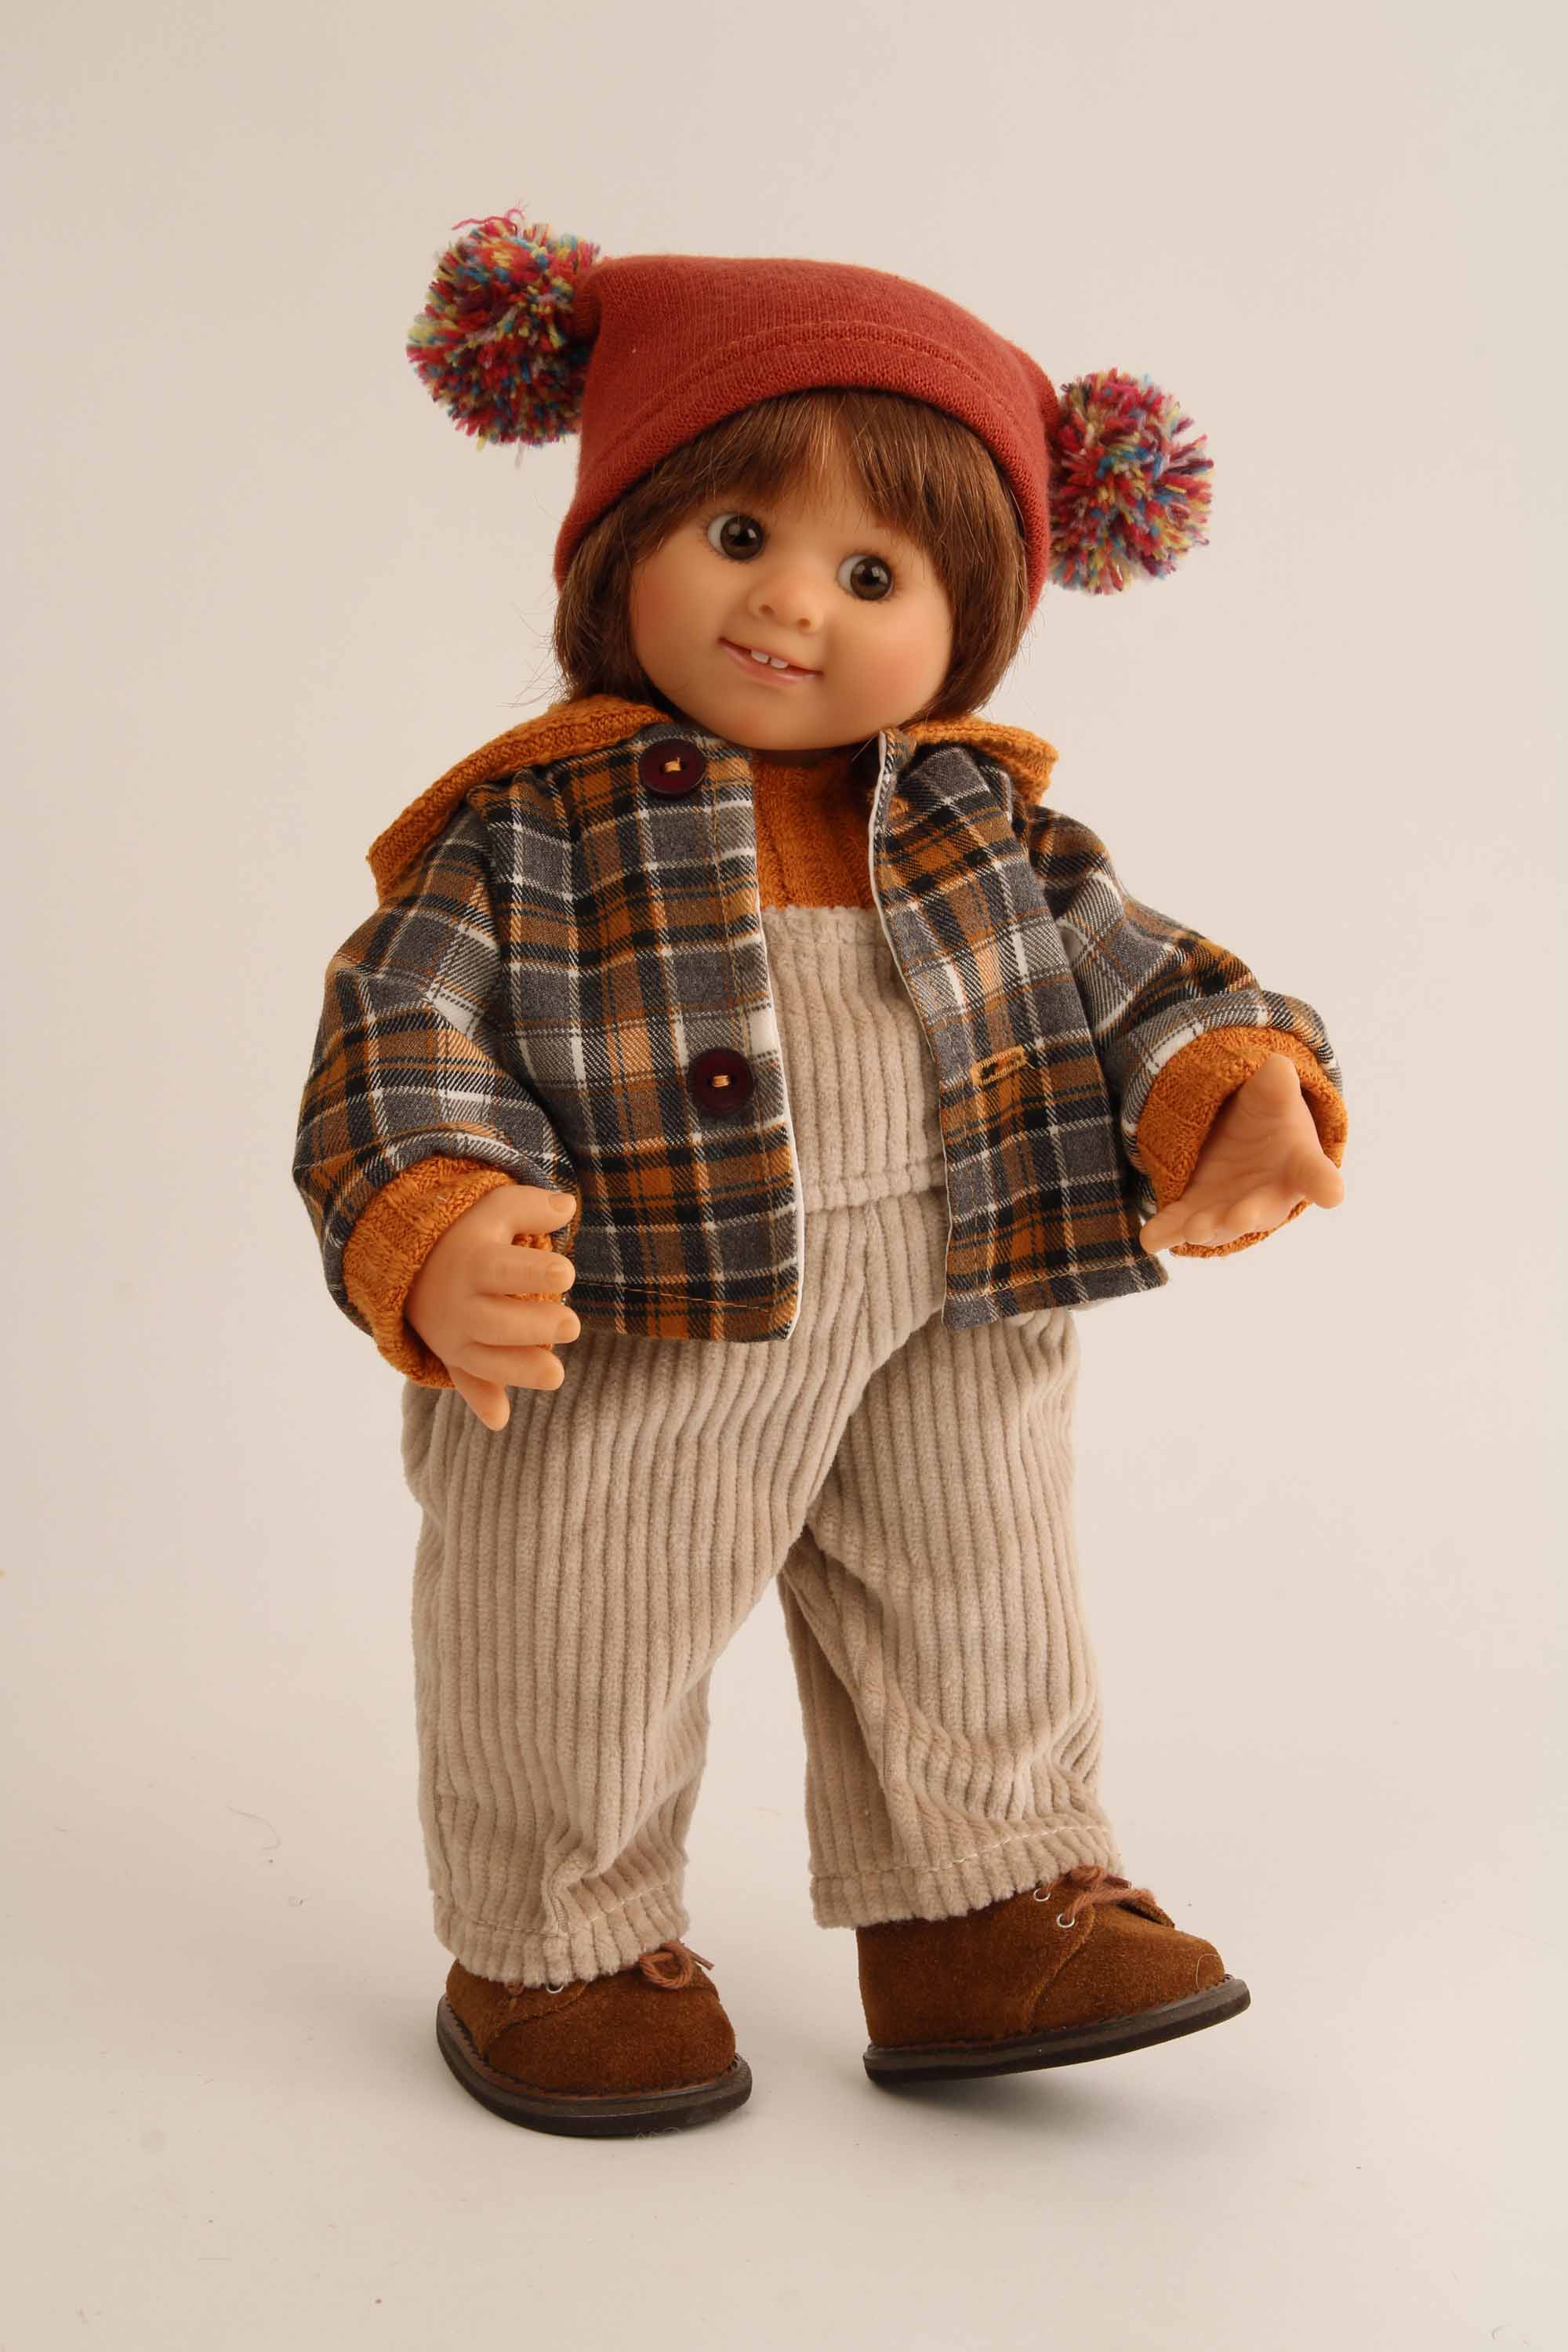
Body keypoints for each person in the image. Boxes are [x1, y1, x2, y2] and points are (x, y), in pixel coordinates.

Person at [292, 214, 1348, 2139]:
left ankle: (985, 1899)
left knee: (979, 1594)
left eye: (872, 573)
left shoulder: (983, 824)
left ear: (969, 623)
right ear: (621, 546)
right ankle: (558, 1940)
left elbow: (1138, 974)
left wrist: (1240, 1084)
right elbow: (401, 1028)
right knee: (578, 1618)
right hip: (629, 1314)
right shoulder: (530, 829)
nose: (792, 602)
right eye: (737, 533)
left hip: (962, 1284)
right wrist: (439, 1223)